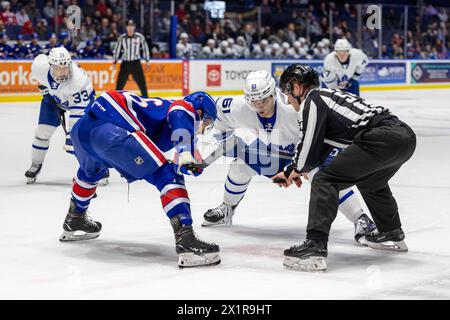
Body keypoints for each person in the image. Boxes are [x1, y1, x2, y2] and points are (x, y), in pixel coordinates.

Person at [202, 70, 376, 244]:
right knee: (240, 166)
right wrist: (225, 142)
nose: (260, 106)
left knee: (323, 175)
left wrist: (302, 166)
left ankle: (360, 219)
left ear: (274, 94)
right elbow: (217, 114)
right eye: (254, 101)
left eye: (264, 100)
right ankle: (227, 208)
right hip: (273, 150)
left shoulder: (294, 108)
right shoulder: (238, 107)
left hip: (303, 150)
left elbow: (320, 138)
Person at [274, 64, 416, 271]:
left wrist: (295, 168)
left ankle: (315, 245)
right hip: (404, 137)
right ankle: (391, 232)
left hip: (381, 137)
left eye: (287, 93)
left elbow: (308, 144)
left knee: (324, 179)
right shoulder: (330, 96)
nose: (287, 100)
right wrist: (293, 171)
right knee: (371, 180)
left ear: (296, 87)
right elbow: (320, 148)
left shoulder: (313, 99)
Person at [60, 90, 221, 268]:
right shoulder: (185, 107)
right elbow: (180, 113)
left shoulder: (163, 110)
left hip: (82, 130)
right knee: (167, 174)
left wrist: (187, 157)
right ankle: (186, 238)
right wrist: (185, 155)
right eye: (205, 121)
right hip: (111, 129)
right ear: (199, 112)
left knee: (90, 173)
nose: (203, 128)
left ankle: (75, 218)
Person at [24, 47, 96, 184]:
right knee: (42, 132)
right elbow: (39, 80)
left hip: (81, 103)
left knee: (81, 139)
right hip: (53, 100)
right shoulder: (40, 67)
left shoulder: (78, 82)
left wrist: (71, 137)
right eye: (58, 68)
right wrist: (45, 89)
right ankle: (36, 164)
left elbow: (77, 116)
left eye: (65, 68)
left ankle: (96, 169)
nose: (62, 72)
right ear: (50, 66)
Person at [113, 20, 150, 97]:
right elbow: (117, 49)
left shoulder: (139, 37)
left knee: (142, 84)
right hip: (125, 64)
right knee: (119, 84)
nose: (130, 28)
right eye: (129, 26)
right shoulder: (122, 38)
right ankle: (115, 101)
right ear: (126, 27)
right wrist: (115, 61)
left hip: (136, 63)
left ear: (134, 27)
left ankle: (147, 101)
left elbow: (145, 48)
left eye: (132, 26)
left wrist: (147, 60)